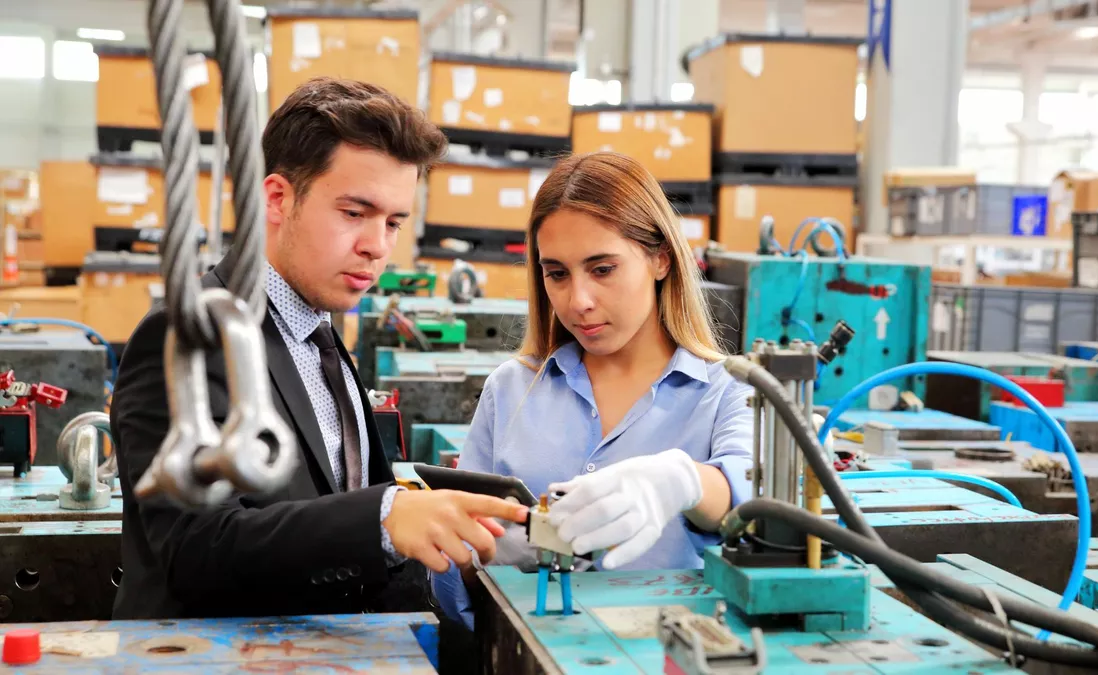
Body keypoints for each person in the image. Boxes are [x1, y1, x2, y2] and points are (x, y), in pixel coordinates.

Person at [110, 77, 527, 620]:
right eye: (355, 213)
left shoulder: (320, 335)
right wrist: (382, 517)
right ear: (278, 198)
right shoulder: (188, 334)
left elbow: (327, 497)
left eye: (393, 222)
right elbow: (193, 549)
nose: (377, 246)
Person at [430, 152, 756, 630]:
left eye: (602, 269)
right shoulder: (512, 389)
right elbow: (458, 587)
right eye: (557, 274)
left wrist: (679, 481)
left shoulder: (731, 392)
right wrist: (466, 550)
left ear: (660, 258)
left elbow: (746, 498)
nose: (578, 301)